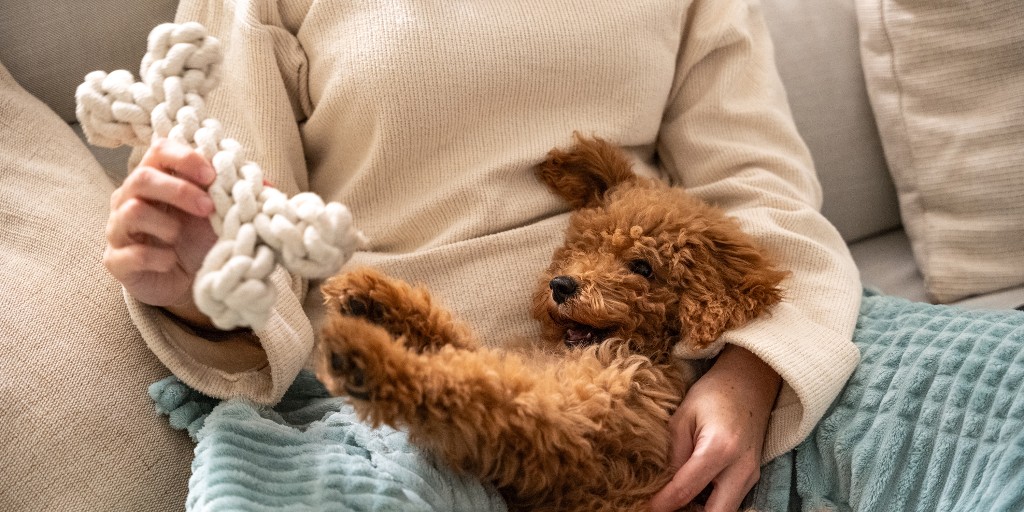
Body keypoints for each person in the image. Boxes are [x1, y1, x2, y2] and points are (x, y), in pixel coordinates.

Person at [102, 0, 862, 510]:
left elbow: (764, 195)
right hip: (394, 415)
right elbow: (240, 222)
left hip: (679, 389)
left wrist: (752, 375)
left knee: (971, 399)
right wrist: (200, 287)